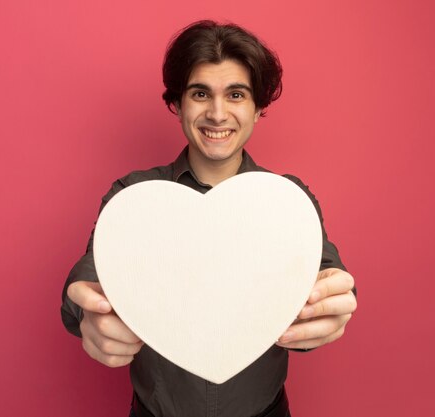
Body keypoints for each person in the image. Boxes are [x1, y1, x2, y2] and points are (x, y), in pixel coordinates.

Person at [61, 20, 357, 417]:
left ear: (257, 108)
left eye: (236, 94)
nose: (217, 114)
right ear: (178, 103)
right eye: (201, 93)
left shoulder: (289, 202)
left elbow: (329, 284)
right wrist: (86, 313)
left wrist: (332, 308)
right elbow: (85, 283)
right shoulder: (133, 198)